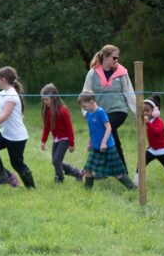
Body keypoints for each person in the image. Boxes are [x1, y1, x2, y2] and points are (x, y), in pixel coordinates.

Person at [0, 66, 35, 189]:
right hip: (6, 133)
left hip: (16, 137)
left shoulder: (12, 95)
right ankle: (2, 176)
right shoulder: (4, 93)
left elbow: (5, 115)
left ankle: (31, 187)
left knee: (17, 163)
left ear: (4, 79)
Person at [81, 45, 136, 173]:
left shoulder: (121, 73)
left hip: (119, 110)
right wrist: (85, 111)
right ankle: (122, 172)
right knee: (113, 140)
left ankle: (92, 170)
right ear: (105, 57)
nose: (117, 60)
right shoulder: (93, 73)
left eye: (118, 58)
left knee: (105, 131)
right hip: (101, 112)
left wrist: (136, 114)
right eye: (114, 58)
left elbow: (129, 93)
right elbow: (86, 92)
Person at [77, 92, 137, 191]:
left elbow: (109, 127)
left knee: (117, 174)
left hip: (108, 147)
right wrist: (89, 143)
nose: (84, 109)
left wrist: (104, 142)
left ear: (91, 102)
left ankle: (133, 189)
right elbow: (92, 130)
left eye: (84, 106)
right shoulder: (88, 114)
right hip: (96, 147)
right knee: (88, 169)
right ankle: (87, 192)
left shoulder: (101, 112)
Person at [39, 83, 82, 183]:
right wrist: (43, 141)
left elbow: (69, 128)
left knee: (56, 161)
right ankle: (77, 172)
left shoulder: (63, 110)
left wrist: (71, 144)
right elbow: (47, 127)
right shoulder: (48, 110)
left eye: (46, 100)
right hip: (57, 139)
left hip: (65, 139)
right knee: (55, 162)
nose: (45, 102)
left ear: (54, 98)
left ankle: (59, 178)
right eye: (43, 100)